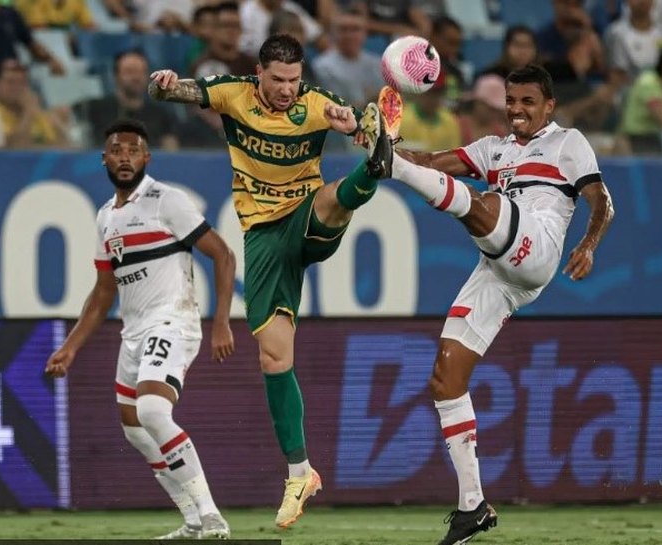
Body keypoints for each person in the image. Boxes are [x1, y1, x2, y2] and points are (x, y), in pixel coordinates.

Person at [147, 33, 391, 528]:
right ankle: (300, 473)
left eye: (294, 81)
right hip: (262, 236)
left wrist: (360, 132)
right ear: (259, 73)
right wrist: (163, 85)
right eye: (278, 80)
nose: (286, 90)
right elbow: (177, 93)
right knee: (274, 357)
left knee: (331, 199)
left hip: (306, 218)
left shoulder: (319, 104)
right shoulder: (232, 92)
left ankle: (370, 176)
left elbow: (359, 124)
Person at [368, 64, 615, 545]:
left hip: (538, 246)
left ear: (549, 106)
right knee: (445, 378)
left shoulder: (569, 142)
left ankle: (388, 167)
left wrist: (589, 243)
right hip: (499, 271)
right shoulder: (492, 148)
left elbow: (601, 199)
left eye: (528, 101)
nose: (517, 109)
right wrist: (390, 148)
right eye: (512, 100)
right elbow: (434, 161)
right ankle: (472, 506)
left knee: (486, 205)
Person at [44, 119, 236, 540]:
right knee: (134, 429)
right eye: (117, 150)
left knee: (152, 411)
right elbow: (102, 291)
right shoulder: (105, 218)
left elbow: (222, 255)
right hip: (133, 332)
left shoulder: (167, 200)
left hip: (173, 320)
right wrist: (72, 347)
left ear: (146, 158)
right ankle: (189, 519)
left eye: (134, 150)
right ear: (105, 159)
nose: (125, 157)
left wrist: (221, 320)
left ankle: (212, 517)